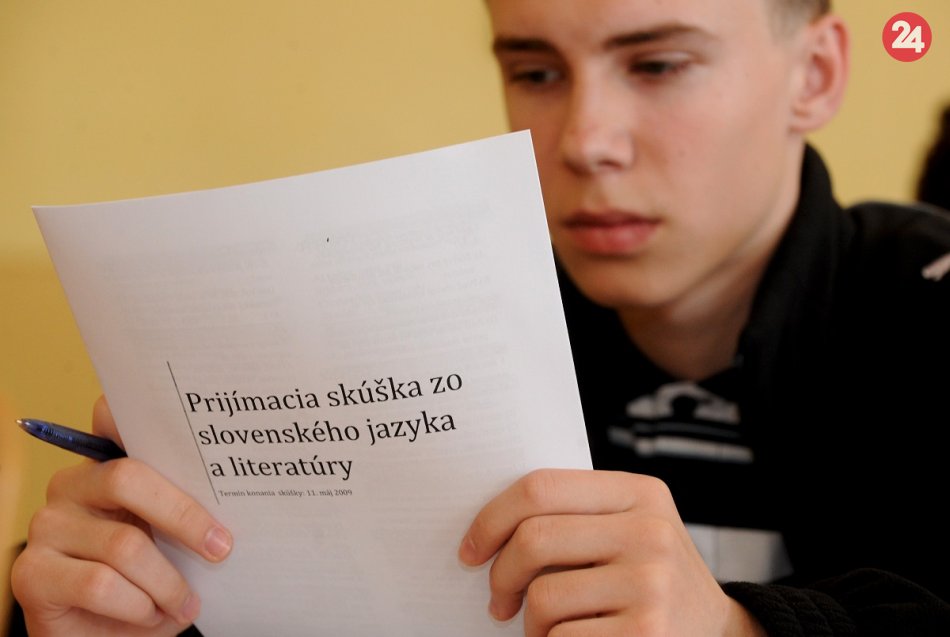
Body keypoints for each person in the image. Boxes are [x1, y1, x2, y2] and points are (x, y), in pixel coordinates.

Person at [11, 0, 950, 635]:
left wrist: (740, 629)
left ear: (815, 74)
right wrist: (104, 606)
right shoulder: (377, 330)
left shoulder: (926, 305)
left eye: (658, 64)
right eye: (536, 72)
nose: (585, 140)